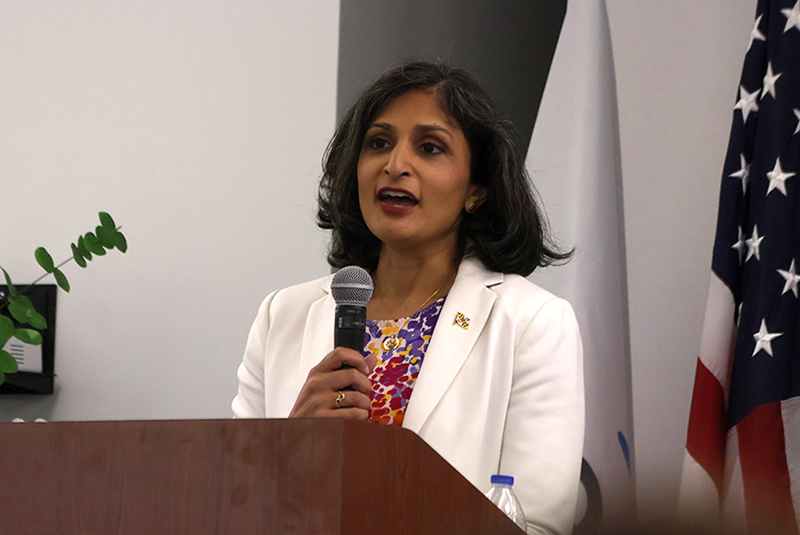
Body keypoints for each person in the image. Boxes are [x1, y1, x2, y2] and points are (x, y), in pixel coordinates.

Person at [232, 61, 584, 535]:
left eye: (430, 147)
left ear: (476, 190)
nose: (395, 165)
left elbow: (537, 523)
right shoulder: (283, 316)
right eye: (379, 143)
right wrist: (291, 444)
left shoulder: (533, 322)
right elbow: (234, 505)